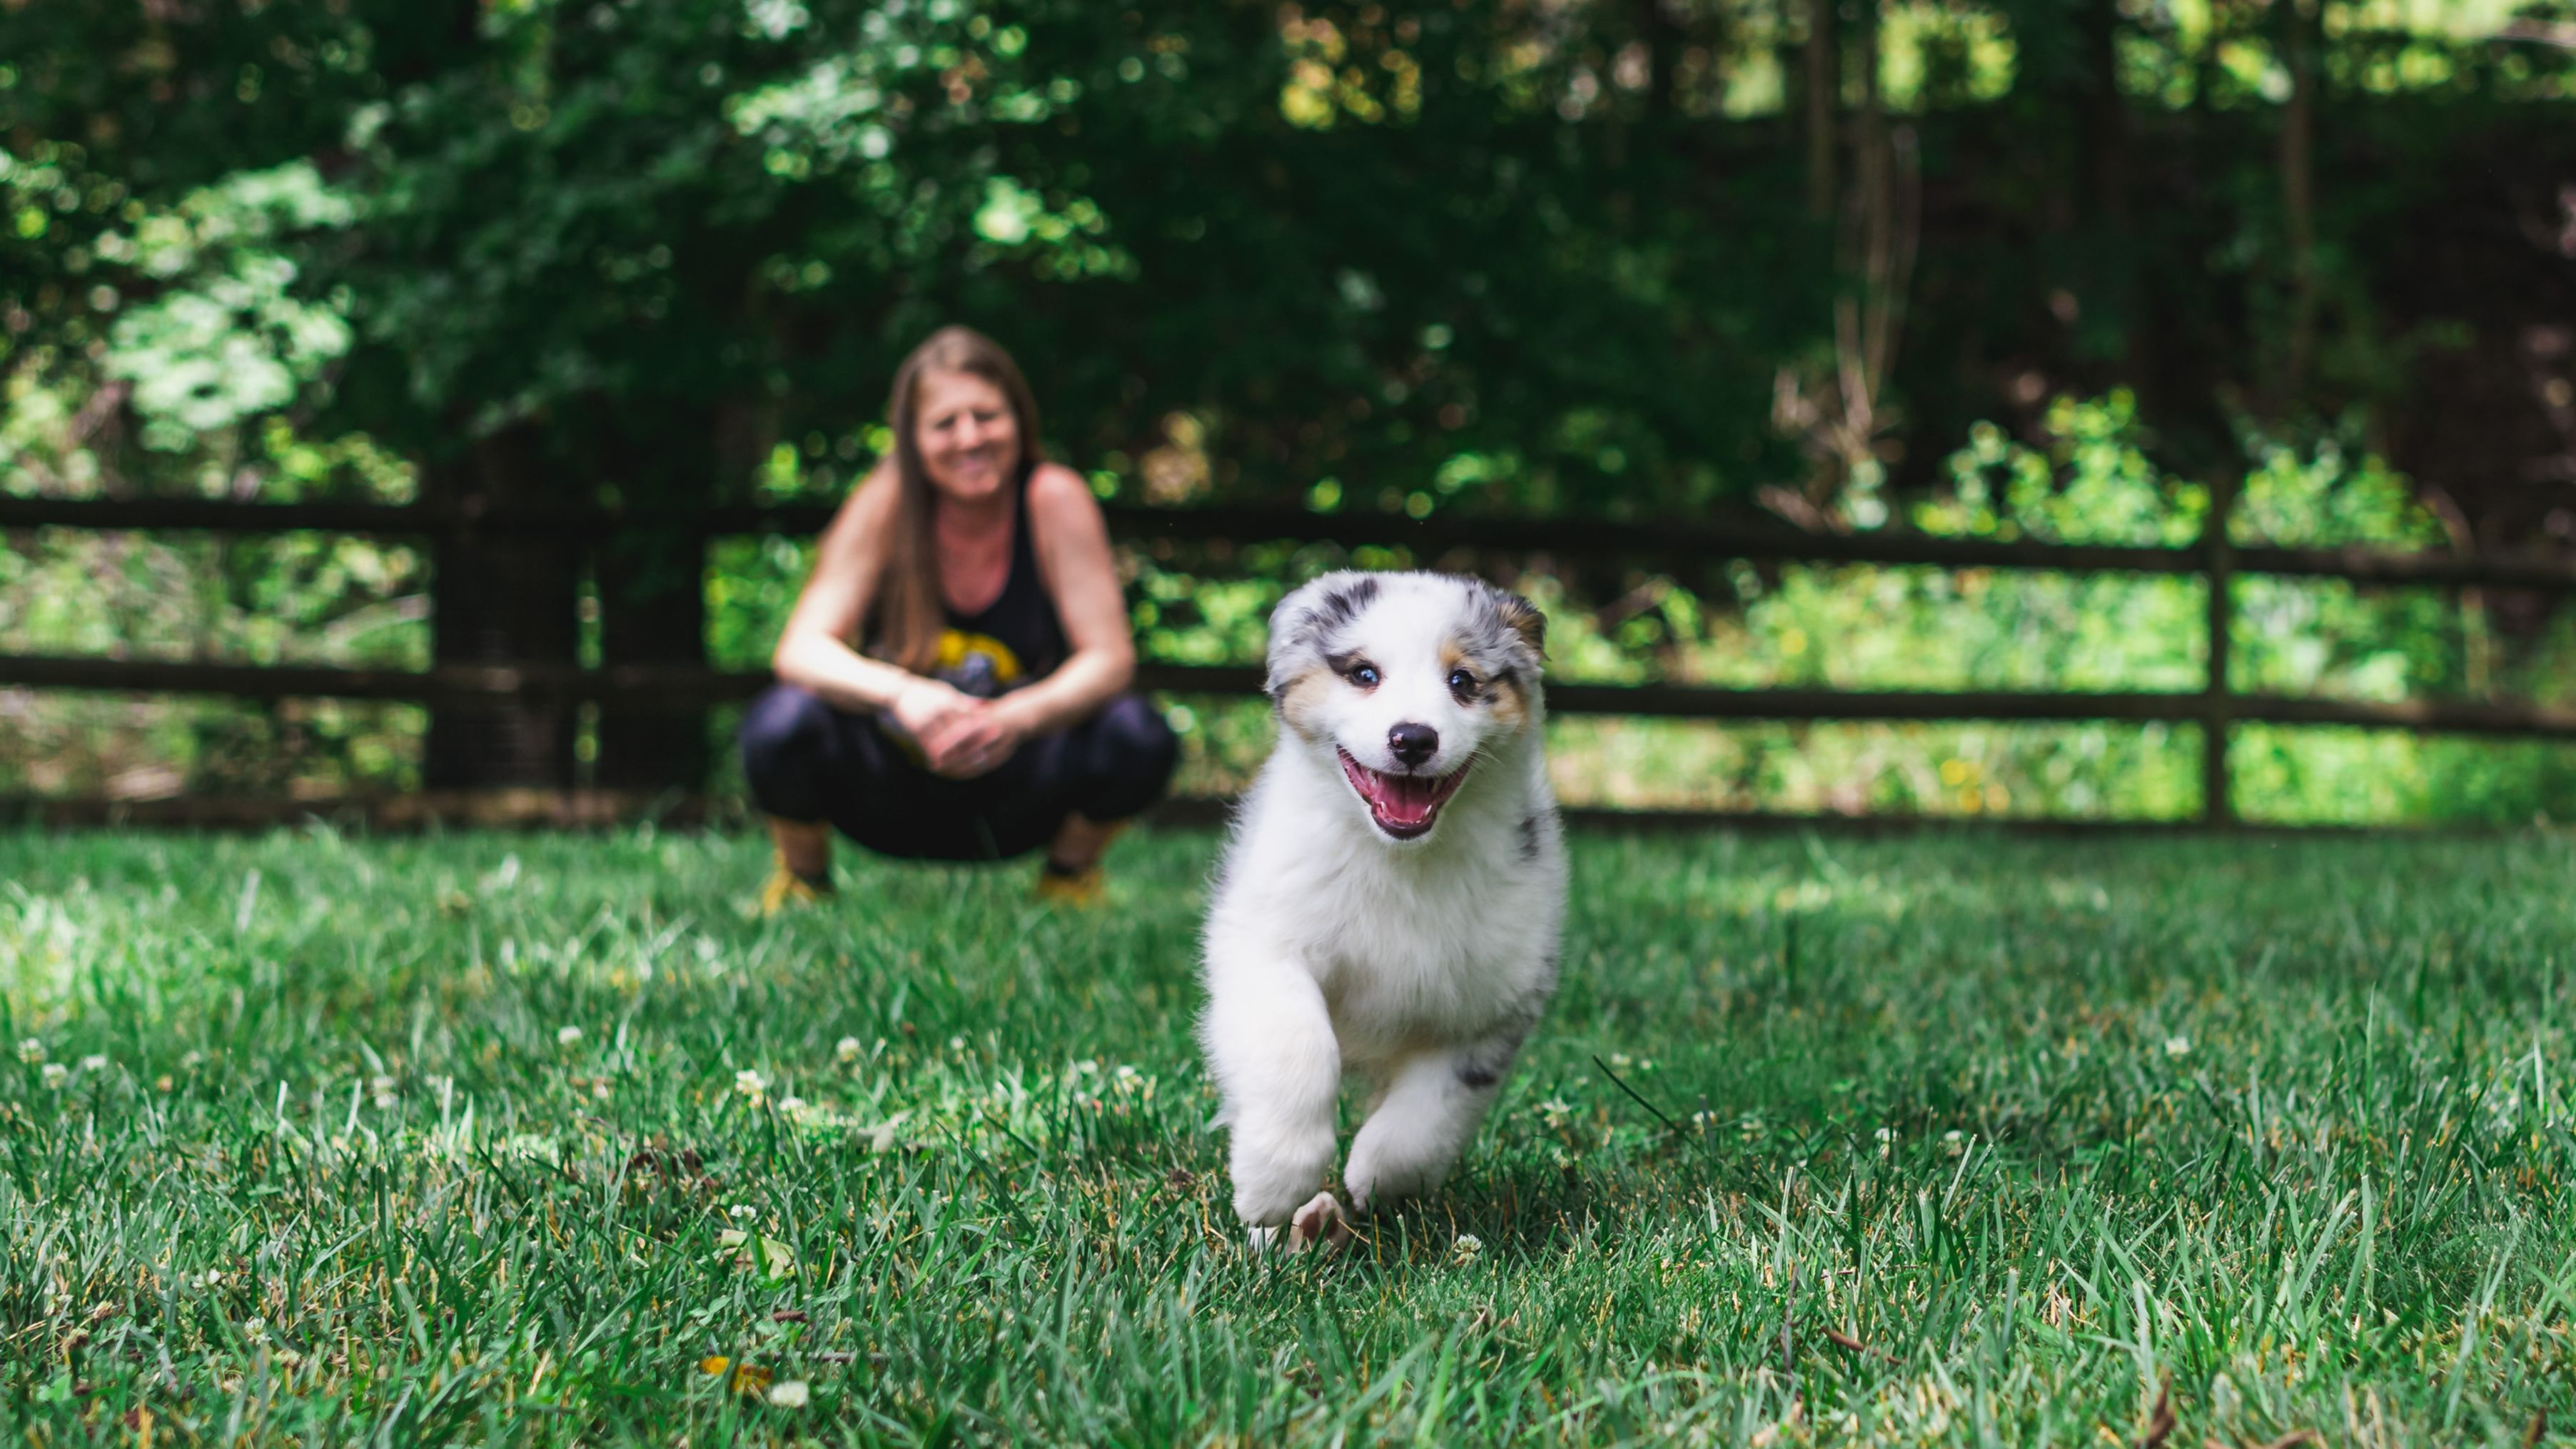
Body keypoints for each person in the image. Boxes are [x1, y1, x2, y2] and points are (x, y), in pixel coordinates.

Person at [740, 326, 1178, 912]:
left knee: (1137, 733)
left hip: (1017, 787)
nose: (969, 438)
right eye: (945, 423)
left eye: (986, 416)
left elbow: (1109, 658)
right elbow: (801, 648)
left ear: (1018, 420)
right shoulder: (886, 499)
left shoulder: (1053, 497)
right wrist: (902, 695)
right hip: (893, 787)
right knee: (781, 722)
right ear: (913, 439)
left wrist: (1014, 718)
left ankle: (1068, 880)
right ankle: (803, 884)